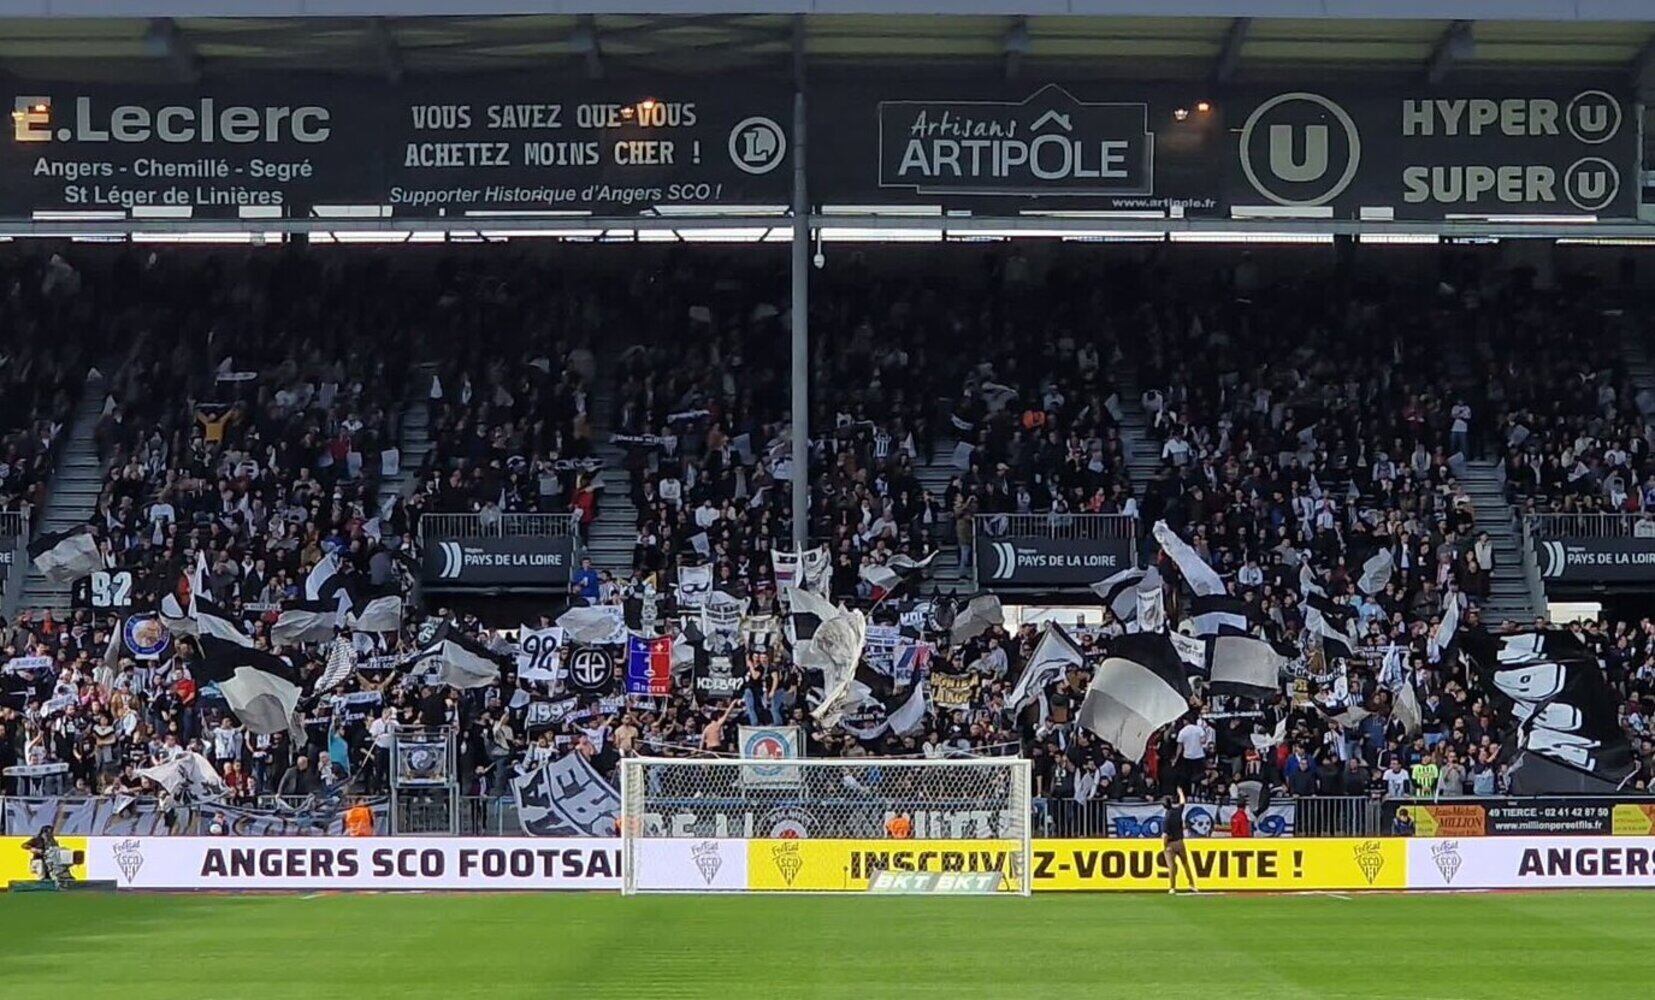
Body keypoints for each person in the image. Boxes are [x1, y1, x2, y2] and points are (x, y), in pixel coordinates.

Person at [1161, 788, 1197, 894]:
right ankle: (1192, 884)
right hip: (1180, 842)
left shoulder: (1166, 818)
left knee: (1171, 866)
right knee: (1185, 864)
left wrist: (1164, 846)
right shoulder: (1177, 812)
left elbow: (1165, 835)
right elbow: (1182, 803)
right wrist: (1181, 792)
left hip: (1171, 844)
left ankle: (1172, 887)